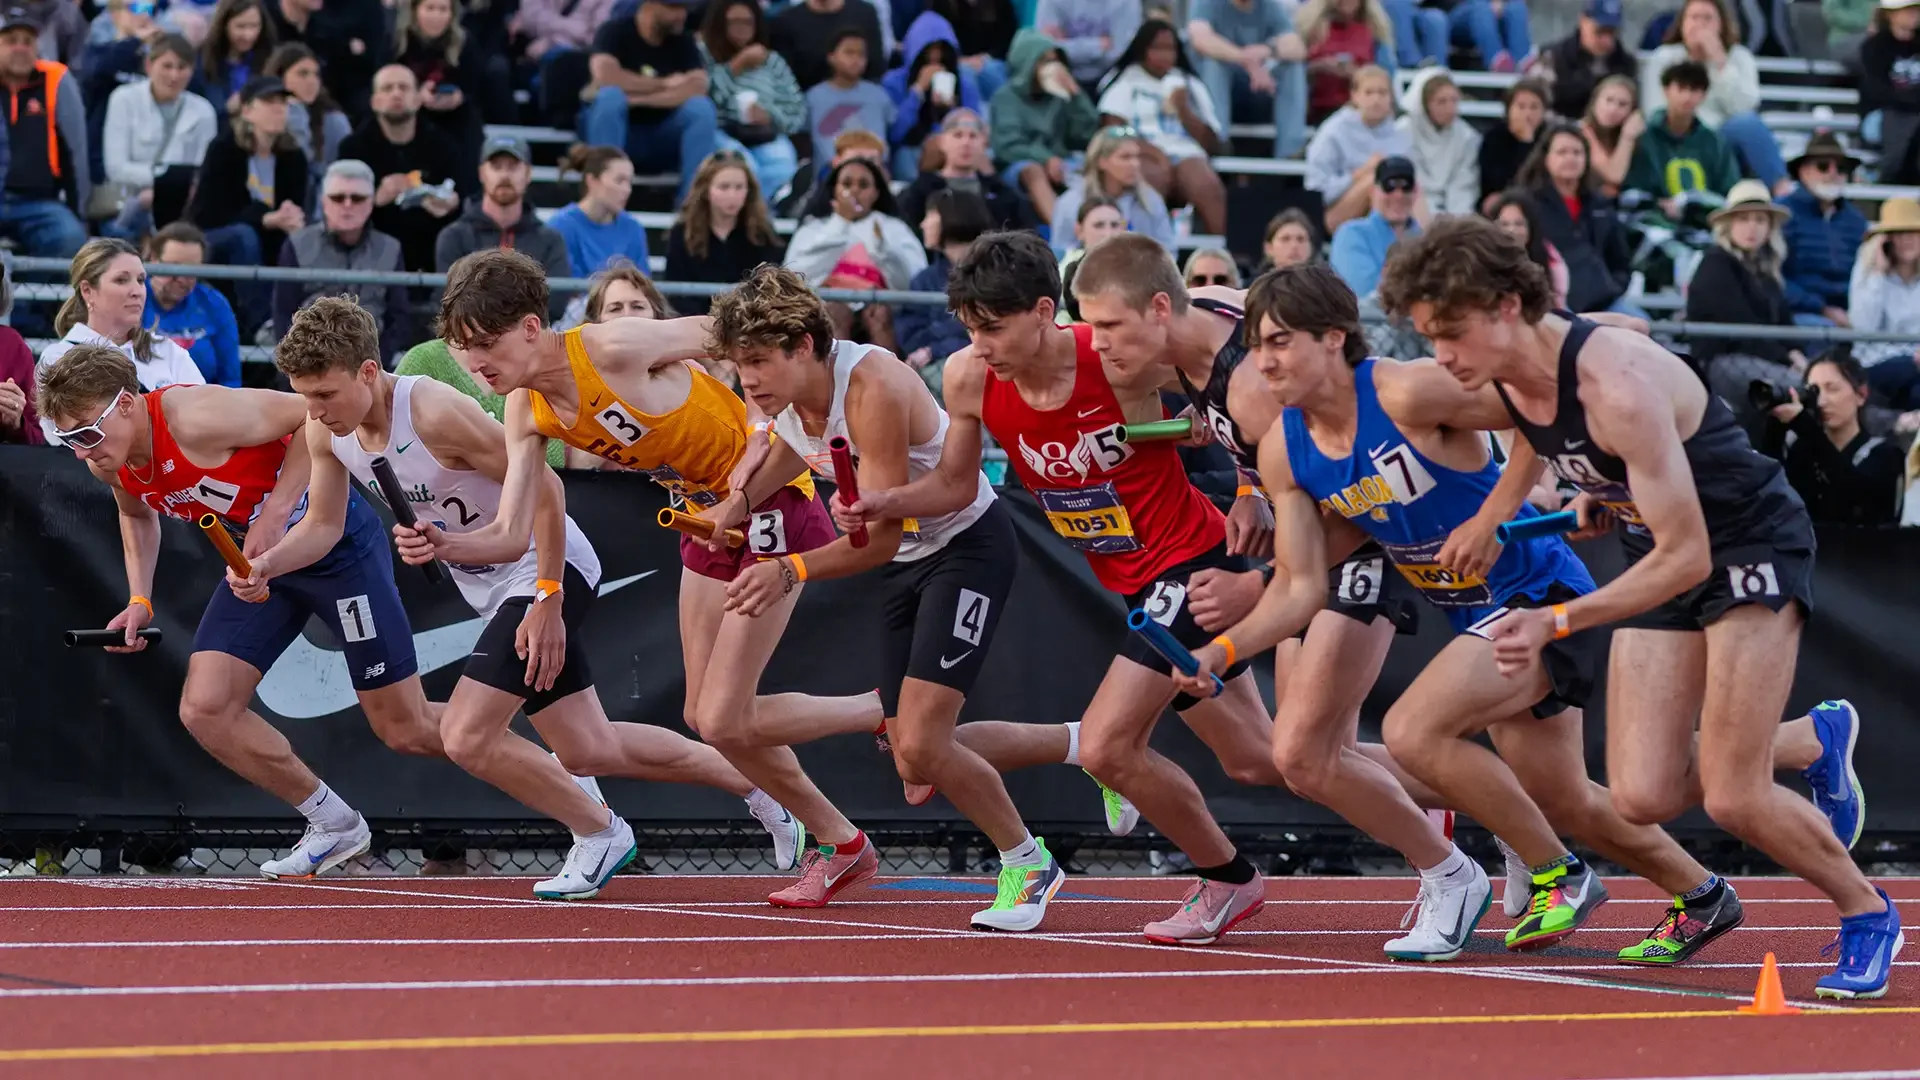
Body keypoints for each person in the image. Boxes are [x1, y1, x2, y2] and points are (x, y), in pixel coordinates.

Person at [1175, 260, 1782, 964]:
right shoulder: (1284, 450)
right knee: (1565, 800)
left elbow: (1537, 406)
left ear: (1334, 337)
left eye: (1281, 341)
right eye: (1255, 344)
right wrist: (1221, 653)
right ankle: (1705, 896)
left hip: (1538, 591)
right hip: (1475, 614)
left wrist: (1496, 514)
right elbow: (1300, 587)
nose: (1264, 360)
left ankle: (1559, 874)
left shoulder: (1406, 392)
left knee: (1412, 729)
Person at [1379, 214, 1894, 1000]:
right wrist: (1517, 509)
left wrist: (1554, 620)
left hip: (1745, 543)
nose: (1440, 356)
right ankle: (1811, 741)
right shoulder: (1512, 370)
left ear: (1509, 307)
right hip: (1655, 541)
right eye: (1427, 335)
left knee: (1731, 793)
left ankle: (1867, 910)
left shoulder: (1611, 382)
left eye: (1448, 333)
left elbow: (1687, 552)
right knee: (1641, 794)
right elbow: (1535, 429)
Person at [835, 231, 1283, 945]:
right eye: (969, 327)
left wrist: (1249, 484)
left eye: (993, 326)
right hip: (1129, 579)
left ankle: (1229, 880)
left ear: (1045, 311)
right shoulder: (969, 378)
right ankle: (1437, 801)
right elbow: (955, 484)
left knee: (1108, 747)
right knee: (1264, 757)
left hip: (1192, 559)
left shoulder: (1112, 353)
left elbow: (1233, 404)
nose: (980, 343)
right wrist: (882, 503)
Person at [276, 296, 801, 899]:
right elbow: (320, 526)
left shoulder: (433, 411)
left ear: (367, 372)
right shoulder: (329, 431)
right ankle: (762, 787)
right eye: (306, 396)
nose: (313, 410)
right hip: (493, 581)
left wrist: (548, 596)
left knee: (467, 735)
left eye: (324, 395)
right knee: (588, 747)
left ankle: (599, 832)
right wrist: (263, 565)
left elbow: (547, 488)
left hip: (545, 567)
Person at [437, 248, 888, 909]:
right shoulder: (524, 412)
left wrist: (771, 423)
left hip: (770, 498)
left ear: (532, 327)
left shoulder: (611, 346)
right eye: (465, 349)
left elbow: (738, 330)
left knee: (725, 716)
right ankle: (860, 775)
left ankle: (856, 788)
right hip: (707, 519)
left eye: (487, 344)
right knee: (706, 717)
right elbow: (511, 532)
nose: (476, 364)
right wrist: (447, 542)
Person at [708, 264, 1078, 931]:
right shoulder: (792, 401)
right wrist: (734, 502)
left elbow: (874, 543)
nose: (749, 381)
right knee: (911, 750)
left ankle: (1028, 860)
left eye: (758, 362)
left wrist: (788, 568)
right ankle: (1082, 744)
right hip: (911, 561)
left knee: (925, 744)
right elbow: (794, 453)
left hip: (967, 548)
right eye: (739, 366)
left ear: (802, 346)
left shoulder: (868, 388)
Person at [34, 343, 449, 880]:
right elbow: (136, 518)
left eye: (87, 432)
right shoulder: (109, 462)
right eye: (69, 440)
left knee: (403, 726)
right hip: (259, 568)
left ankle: (548, 768)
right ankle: (334, 823)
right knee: (205, 708)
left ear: (129, 403)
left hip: (334, 548)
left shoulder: (195, 415)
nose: (81, 451)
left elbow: (312, 417)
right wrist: (140, 598)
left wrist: (277, 510)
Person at [186, 75, 309, 333]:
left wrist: (291, 218)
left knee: (300, 241)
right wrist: (266, 218)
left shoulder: (293, 156)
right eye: (269, 101)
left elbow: (295, 204)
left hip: (266, 238)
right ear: (247, 111)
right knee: (244, 236)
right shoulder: (224, 148)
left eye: (283, 102)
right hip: (211, 235)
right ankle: (261, 322)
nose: (278, 108)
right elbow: (210, 212)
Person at [1686, 179, 1807, 435]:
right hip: (1721, 361)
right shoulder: (1716, 264)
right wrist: (1786, 358)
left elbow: (1784, 319)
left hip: (1761, 355)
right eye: (1743, 219)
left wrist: (1796, 350)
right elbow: (1740, 328)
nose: (1752, 228)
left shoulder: (1766, 268)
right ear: (1729, 225)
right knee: (1802, 385)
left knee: (1826, 380)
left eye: (1760, 220)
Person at [1095, 19, 1226, 238]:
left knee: (1206, 183)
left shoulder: (1191, 84)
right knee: (1150, 175)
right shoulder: (1124, 82)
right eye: (1157, 48)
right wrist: (1153, 152)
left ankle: (1222, 252)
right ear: (1142, 49)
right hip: (1142, 151)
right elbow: (1111, 133)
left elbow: (1212, 144)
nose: (1165, 55)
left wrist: (1183, 109)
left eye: (1170, 49)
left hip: (1186, 152)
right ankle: (1146, 247)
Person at [580, 0, 719, 206]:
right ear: (649, 6)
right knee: (610, 99)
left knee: (701, 109)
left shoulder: (683, 41)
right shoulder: (614, 31)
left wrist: (636, 98)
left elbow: (697, 87)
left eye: (684, 9)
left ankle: (691, 206)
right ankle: (603, 197)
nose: (682, 15)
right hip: (618, 132)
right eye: (673, 8)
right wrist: (665, 83)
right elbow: (606, 76)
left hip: (662, 136)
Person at [274, 159, 411, 365]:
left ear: (371, 201)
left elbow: (398, 316)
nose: (347, 205)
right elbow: (283, 311)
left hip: (371, 363)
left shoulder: (391, 248)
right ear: (324, 202)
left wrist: (376, 364)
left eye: (357, 198)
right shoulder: (297, 244)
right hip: (310, 362)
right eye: (338, 198)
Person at [1639, 0, 1785, 192]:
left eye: (1707, 18)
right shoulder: (1664, 57)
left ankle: (1784, 192)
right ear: (1682, 24)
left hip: (1722, 135)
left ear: (1722, 24)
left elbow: (1744, 107)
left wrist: (1720, 63)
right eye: (1693, 18)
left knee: (1749, 124)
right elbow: (1653, 110)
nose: (1700, 25)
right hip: (1677, 134)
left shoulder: (1740, 57)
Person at [783, 156, 926, 351]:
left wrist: (881, 248)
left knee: (879, 315)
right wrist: (840, 225)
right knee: (835, 311)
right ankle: (836, 379)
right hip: (826, 306)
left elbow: (912, 278)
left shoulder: (894, 228)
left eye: (863, 184)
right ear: (834, 190)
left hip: (880, 305)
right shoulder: (814, 228)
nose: (855, 190)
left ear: (876, 193)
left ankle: (887, 378)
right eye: (847, 183)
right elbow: (795, 276)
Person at [338, 64, 466, 273]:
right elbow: (337, 209)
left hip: (430, 253)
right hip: (369, 257)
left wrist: (450, 205)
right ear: (374, 101)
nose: (396, 94)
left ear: (418, 99)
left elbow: (463, 194)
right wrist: (375, 199)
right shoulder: (352, 148)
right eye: (387, 88)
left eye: (404, 88)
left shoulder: (443, 145)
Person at [39, 238, 204, 399]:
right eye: (121, 280)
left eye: (140, 280)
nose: (137, 291)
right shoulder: (59, 358)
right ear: (87, 290)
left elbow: (204, 414)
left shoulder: (167, 351)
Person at [435, 134, 573, 321]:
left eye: (513, 166)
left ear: (528, 174)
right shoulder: (454, 236)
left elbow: (555, 304)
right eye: (496, 166)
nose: (504, 175)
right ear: (482, 173)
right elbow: (448, 300)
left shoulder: (550, 240)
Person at [1761, 352, 1907, 526]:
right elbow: (1773, 499)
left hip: (1864, 550)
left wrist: (1805, 426)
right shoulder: (1802, 450)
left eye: (1833, 389)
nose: (1822, 402)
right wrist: (1775, 429)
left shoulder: (1885, 454)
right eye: (1814, 391)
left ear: (1861, 394)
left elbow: (1856, 497)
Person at [100, 32, 215, 240]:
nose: (174, 75)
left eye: (182, 67)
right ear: (149, 65)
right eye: (167, 66)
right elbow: (116, 167)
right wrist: (161, 186)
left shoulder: (203, 111)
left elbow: (203, 173)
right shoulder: (123, 99)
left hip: (182, 211)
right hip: (127, 204)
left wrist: (164, 193)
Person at [0, 8, 90, 266]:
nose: (20, 48)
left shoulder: (56, 78)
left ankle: (30, 305)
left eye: (27, 41)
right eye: (11, 41)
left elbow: (76, 151)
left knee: (70, 238)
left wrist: (79, 212)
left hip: (38, 203)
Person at [1522, 120, 1632, 315]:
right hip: (1547, 307)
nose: (1570, 158)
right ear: (1546, 158)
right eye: (1562, 152)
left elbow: (1620, 259)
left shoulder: (1601, 204)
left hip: (1604, 304)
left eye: (1577, 152)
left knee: (1641, 326)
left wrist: (1611, 287)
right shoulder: (1528, 204)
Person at [990, 29, 1101, 224]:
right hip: (1020, 164)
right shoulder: (1005, 98)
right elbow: (1007, 146)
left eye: (1055, 60)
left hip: (1063, 161)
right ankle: (1063, 231)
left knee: (1105, 163)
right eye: (1044, 61)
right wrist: (1045, 159)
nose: (1053, 67)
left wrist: (1075, 94)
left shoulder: (1059, 95)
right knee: (1033, 171)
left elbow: (1087, 133)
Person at [699, 0, 804, 201]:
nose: (742, 28)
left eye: (748, 22)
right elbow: (705, 98)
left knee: (783, 165)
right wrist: (737, 65)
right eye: (734, 22)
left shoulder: (771, 61)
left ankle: (763, 218)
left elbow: (796, 111)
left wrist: (769, 115)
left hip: (765, 134)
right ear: (720, 24)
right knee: (743, 167)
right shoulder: (705, 54)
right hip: (721, 132)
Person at [665, 151, 784, 317]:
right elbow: (677, 294)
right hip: (696, 323)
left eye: (739, 187)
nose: (732, 196)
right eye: (724, 187)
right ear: (706, 190)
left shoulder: (762, 234)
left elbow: (771, 288)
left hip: (750, 324)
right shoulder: (683, 233)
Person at [1184, 0, 1306, 160]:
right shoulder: (1206, 3)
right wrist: (1246, 60)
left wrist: (1268, 50)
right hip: (1216, 93)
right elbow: (1201, 40)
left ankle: (1291, 150)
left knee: (1293, 67)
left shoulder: (1270, 5)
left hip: (1259, 90)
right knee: (1213, 64)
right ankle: (1218, 142)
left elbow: (1297, 47)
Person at [898, 188, 991, 388]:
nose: (923, 224)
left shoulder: (998, 271)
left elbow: (995, 331)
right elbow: (911, 337)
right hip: (938, 369)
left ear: (952, 215)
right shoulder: (924, 280)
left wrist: (937, 347)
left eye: (930, 215)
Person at [896, 109, 1039, 235]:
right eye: (958, 135)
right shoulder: (918, 193)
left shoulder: (1004, 196)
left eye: (973, 136)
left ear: (984, 143)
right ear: (942, 142)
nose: (966, 143)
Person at [1304, 64, 1410, 234]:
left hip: (1395, 208)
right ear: (1355, 96)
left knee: (1411, 186)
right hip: (1336, 214)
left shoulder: (1401, 134)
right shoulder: (1333, 131)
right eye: (1369, 92)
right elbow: (1317, 190)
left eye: (1382, 92)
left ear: (1391, 97)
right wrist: (1357, 175)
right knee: (1375, 180)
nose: (1376, 99)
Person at [1778, 132, 1868, 329]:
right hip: (1799, 313)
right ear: (1803, 171)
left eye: (1841, 168)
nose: (1832, 173)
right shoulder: (1782, 214)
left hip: (1852, 313)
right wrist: (1822, 308)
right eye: (1823, 166)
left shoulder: (1856, 220)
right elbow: (1772, 276)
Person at [1624, 59, 1740, 207]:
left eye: (1694, 90)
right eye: (1681, 88)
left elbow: (1729, 189)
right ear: (1666, 90)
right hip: (1653, 219)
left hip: (1705, 221)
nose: (1687, 97)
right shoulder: (1644, 136)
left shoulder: (1715, 142)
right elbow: (1633, 188)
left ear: (1703, 95)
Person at [884, 11, 983, 180]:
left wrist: (950, 112)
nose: (935, 57)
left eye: (942, 50)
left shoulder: (964, 83)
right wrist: (917, 92)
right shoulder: (894, 82)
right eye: (928, 51)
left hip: (953, 148)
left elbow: (976, 128)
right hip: (910, 150)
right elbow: (895, 133)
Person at [1048, 125, 1174, 256]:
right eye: (1125, 157)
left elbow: (1167, 251)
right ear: (1102, 161)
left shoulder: (1150, 201)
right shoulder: (1070, 203)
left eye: (1137, 157)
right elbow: (1060, 252)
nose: (1135, 164)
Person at [145, 224, 243, 388]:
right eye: (174, 267)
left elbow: (230, 378)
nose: (182, 279)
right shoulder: (132, 299)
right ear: (154, 259)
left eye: (191, 270)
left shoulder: (214, 304)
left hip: (202, 404)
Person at [393, 0, 478, 165]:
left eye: (443, 9)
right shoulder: (398, 42)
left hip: (456, 117)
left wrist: (458, 97)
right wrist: (416, 95)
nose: (436, 16)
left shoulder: (464, 42)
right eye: (430, 8)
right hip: (410, 114)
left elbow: (474, 84)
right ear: (415, 10)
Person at [547, 145, 651, 278]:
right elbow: (567, 288)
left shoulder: (633, 228)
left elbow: (643, 284)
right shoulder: (560, 226)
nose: (627, 189)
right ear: (592, 180)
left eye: (629, 182)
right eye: (619, 180)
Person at [1328, 154, 1420, 299]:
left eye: (1406, 187)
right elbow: (1361, 291)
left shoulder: (1427, 238)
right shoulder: (1351, 234)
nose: (1398, 195)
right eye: (1389, 187)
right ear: (1373, 191)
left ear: (1416, 192)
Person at [1532, 0, 1637, 121]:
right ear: (1583, 22)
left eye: (1612, 33)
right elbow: (1535, 105)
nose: (1606, 41)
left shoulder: (1625, 64)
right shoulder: (1554, 58)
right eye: (1600, 31)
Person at [266, 43, 351, 189]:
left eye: (316, 75)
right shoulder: (263, 114)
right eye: (302, 74)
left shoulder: (334, 120)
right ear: (280, 76)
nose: (312, 81)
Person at [1399, 69, 1478, 218]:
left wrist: (1456, 220)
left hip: (1451, 211)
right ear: (1425, 104)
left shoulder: (1467, 136)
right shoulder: (1403, 131)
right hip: (1413, 206)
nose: (1450, 109)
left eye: (1454, 100)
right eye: (1441, 102)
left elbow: (1464, 185)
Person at [805, 29, 897, 157]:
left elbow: (895, 131)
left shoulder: (879, 95)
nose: (856, 59)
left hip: (875, 170)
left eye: (861, 54)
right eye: (849, 53)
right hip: (828, 173)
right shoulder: (813, 97)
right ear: (831, 57)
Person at [769, 0, 885, 92]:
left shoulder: (865, 13)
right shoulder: (785, 22)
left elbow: (876, 69)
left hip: (862, 101)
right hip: (808, 107)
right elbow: (786, 80)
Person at [1485, 191, 1568, 309]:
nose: (1511, 231)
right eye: (1504, 224)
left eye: (1519, 224)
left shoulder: (1551, 261)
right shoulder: (1484, 264)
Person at [1476, 77, 1545, 213]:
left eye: (1534, 107)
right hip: (1502, 198)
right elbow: (1496, 181)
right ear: (1509, 109)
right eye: (1521, 106)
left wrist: (1527, 141)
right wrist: (1524, 143)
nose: (1527, 114)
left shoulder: (1548, 136)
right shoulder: (1494, 138)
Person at [199, 0, 275, 116]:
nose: (248, 35)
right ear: (224, 25)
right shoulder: (203, 62)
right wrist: (227, 109)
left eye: (254, 26)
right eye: (241, 26)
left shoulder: (268, 58)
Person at [1038, 0, 1136, 90]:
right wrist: (1097, 46)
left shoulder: (1126, 2)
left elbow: (1117, 53)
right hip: (1061, 73)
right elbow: (1048, 48)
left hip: (1109, 78)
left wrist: (1067, 45)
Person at [1579, 74, 1643, 197]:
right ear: (1595, 101)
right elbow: (1614, 175)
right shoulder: (1581, 131)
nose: (1613, 109)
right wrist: (1627, 137)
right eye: (1608, 100)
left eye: (1622, 104)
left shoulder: (1635, 136)